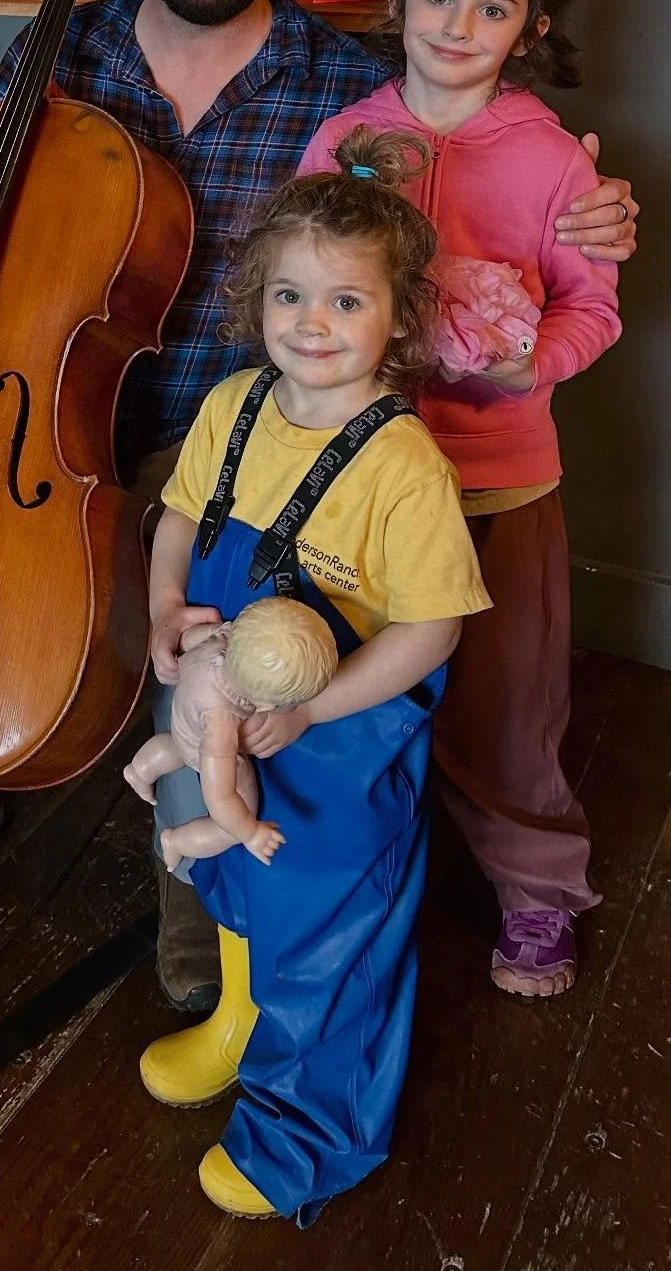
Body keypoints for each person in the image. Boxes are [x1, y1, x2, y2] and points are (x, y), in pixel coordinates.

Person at [0, 0, 639, 1013]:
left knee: (215, 610)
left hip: (232, 441)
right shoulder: (62, 51)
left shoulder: (343, 88)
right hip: (33, 410)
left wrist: (593, 210)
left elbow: (459, 197)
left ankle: (201, 878)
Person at [140, 127, 491, 1221]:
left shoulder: (404, 466)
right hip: (225, 702)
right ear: (258, 301)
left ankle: (306, 1136)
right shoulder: (232, 406)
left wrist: (314, 707)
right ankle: (240, 1020)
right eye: (290, 296)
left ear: (400, 319)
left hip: (343, 733)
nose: (312, 324)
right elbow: (180, 518)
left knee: (326, 929)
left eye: (347, 302)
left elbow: (431, 630)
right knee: (237, 877)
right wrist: (164, 606)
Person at [298, 0, 622, 998]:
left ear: (530, 30)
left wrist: (534, 364)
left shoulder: (554, 162)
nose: (458, 24)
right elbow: (301, 267)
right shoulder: (345, 139)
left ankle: (538, 890)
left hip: (496, 480)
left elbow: (592, 306)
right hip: (359, 471)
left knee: (508, 704)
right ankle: (352, 881)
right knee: (353, 688)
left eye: (494, 7)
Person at [123, 594, 339, 873]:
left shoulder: (225, 636)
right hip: (205, 745)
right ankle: (177, 841)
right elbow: (220, 797)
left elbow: (187, 640)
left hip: (184, 714)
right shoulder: (221, 727)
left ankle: (139, 770)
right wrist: (250, 832)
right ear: (267, 706)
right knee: (230, 825)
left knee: (178, 743)